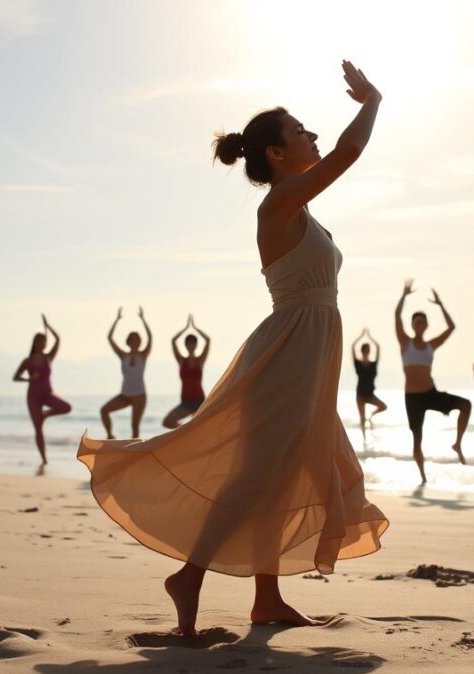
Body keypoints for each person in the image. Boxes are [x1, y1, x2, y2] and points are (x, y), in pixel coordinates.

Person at [78, 61, 388, 637]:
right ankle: (190, 576)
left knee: (275, 470)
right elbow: (348, 150)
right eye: (300, 131)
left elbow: (333, 157)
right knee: (261, 473)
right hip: (291, 350)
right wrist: (373, 99)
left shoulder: (302, 208)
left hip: (309, 351)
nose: (313, 136)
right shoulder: (279, 205)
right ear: (275, 153)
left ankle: (266, 598)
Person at [394, 282, 471, 484]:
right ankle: (423, 477)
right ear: (413, 325)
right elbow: (396, 316)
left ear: (426, 325)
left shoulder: (431, 345)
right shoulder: (405, 342)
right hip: (412, 398)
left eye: (422, 322)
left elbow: (451, 327)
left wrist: (440, 304)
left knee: (466, 405)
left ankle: (457, 444)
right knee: (417, 438)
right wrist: (403, 296)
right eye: (416, 322)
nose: (419, 325)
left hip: (430, 393)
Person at [13, 315, 72, 465]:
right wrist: (30, 379)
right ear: (35, 343)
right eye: (39, 342)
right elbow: (16, 377)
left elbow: (58, 340)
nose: (42, 344)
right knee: (38, 429)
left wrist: (49, 325)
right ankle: (44, 459)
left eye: (44, 342)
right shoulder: (28, 361)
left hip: (48, 393)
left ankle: (46, 414)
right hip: (33, 396)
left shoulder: (48, 358)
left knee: (66, 407)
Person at [100, 307, 151, 439]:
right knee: (104, 410)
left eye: (137, 339)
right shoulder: (123, 355)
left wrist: (143, 319)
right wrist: (116, 320)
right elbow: (110, 338)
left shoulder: (143, 355)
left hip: (140, 395)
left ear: (140, 342)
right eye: (132, 339)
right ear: (128, 342)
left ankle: (135, 455)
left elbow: (150, 337)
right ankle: (110, 436)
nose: (135, 341)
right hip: (125, 395)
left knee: (134, 426)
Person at [162, 315, 211, 429]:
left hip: (199, 401)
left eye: (193, 343)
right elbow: (173, 341)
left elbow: (208, 340)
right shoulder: (181, 360)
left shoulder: (200, 360)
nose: (191, 345)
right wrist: (185, 328)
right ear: (185, 345)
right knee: (167, 422)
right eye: (188, 343)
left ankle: (191, 439)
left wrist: (195, 327)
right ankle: (185, 433)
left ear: (196, 344)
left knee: (199, 430)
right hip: (186, 402)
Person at [351, 328, 387, 438]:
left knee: (383, 406)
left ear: (369, 351)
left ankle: (371, 416)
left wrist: (370, 337)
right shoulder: (358, 363)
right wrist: (361, 336)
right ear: (362, 351)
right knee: (361, 418)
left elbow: (378, 348)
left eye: (367, 350)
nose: (366, 352)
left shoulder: (373, 364)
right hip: (360, 394)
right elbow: (352, 347)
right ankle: (364, 439)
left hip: (370, 394)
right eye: (364, 350)